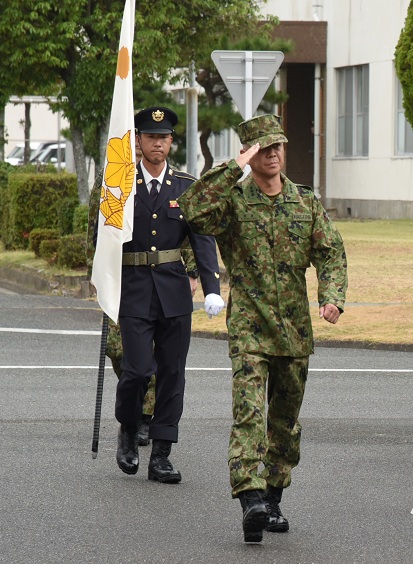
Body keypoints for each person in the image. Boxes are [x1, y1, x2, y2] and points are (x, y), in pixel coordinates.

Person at [178, 114, 348, 544]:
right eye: (263, 148)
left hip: (293, 331)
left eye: (277, 147)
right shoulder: (233, 202)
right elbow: (193, 209)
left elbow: (330, 252)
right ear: (249, 154)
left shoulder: (304, 202)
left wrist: (332, 296)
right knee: (250, 414)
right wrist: (232, 168)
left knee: (285, 423)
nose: (272, 154)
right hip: (250, 329)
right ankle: (250, 497)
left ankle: (272, 497)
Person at [114, 106, 224, 483]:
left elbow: (202, 240)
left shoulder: (186, 186)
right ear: (139, 141)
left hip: (173, 291)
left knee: (173, 374)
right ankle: (129, 429)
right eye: (150, 137)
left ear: (171, 142)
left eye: (163, 138)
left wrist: (212, 288)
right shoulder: (121, 183)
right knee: (137, 370)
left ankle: (161, 454)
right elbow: (103, 235)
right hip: (133, 288)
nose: (157, 143)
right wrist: (101, 279)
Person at [87, 136, 199, 447]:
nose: (150, 144)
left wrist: (191, 271)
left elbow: (187, 233)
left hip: (166, 284)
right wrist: (97, 272)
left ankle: (146, 419)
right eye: (144, 138)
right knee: (123, 353)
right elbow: (97, 228)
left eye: (160, 137)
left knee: (165, 362)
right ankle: (132, 416)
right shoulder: (114, 178)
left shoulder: (178, 183)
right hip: (126, 282)